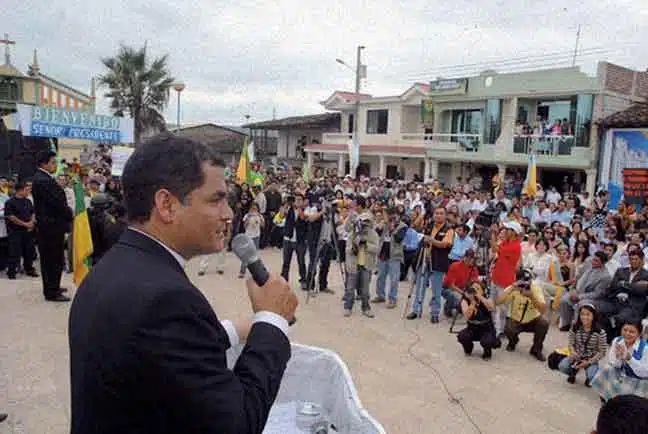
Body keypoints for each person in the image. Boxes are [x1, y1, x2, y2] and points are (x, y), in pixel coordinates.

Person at [68, 134, 298, 433]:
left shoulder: (116, 265)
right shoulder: (167, 299)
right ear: (167, 204)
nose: (229, 214)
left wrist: (232, 331)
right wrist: (272, 321)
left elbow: (160, 351)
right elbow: (237, 423)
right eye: (216, 200)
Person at [31, 150, 73, 302]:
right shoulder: (43, 180)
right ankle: (52, 291)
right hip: (50, 227)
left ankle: (53, 285)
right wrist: (70, 214)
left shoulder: (44, 178)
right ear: (44, 164)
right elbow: (57, 203)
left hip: (51, 226)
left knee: (54, 259)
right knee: (52, 260)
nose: (55, 165)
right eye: (53, 162)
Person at [496, 268, 549, 361]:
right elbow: (498, 302)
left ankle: (536, 349)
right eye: (521, 282)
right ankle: (513, 341)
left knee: (544, 322)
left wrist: (532, 296)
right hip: (516, 320)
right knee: (509, 329)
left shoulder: (535, 288)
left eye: (527, 281)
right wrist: (512, 289)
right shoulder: (513, 288)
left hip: (532, 320)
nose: (524, 285)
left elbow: (543, 310)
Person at [591, 317, 648, 402]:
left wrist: (630, 359)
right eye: (625, 330)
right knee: (607, 368)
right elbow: (613, 363)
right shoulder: (617, 341)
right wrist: (618, 358)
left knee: (628, 399)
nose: (627, 334)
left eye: (632, 332)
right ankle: (606, 396)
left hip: (638, 379)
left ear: (639, 334)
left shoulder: (645, 348)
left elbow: (643, 373)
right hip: (622, 373)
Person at [557, 303, 608, 386]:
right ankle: (573, 372)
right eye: (582, 314)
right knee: (562, 366)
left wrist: (589, 362)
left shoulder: (600, 332)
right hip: (576, 356)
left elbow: (602, 352)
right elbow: (571, 343)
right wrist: (573, 353)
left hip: (591, 358)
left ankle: (588, 377)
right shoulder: (574, 327)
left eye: (588, 314)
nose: (584, 317)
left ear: (594, 316)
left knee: (592, 376)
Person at [4, 181, 38, 279]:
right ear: (20, 191)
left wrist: (32, 222)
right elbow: (11, 217)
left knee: (29, 251)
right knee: (15, 252)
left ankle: (29, 269)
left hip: (28, 231)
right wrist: (25, 224)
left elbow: (32, 212)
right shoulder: (10, 202)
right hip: (15, 231)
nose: (28, 192)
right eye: (26, 190)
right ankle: (12, 272)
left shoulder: (28, 201)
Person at [457, 281, 497, 360]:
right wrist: (472, 302)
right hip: (472, 328)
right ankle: (468, 348)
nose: (475, 290)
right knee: (463, 336)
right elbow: (467, 316)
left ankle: (487, 352)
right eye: (473, 288)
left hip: (487, 328)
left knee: (487, 341)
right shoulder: (465, 300)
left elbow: (491, 308)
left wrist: (480, 296)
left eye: (478, 288)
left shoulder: (487, 298)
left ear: (483, 290)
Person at [441, 249, 479, 318]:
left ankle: (461, 309)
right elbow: (451, 285)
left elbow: (475, 283)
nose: (469, 259)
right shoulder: (455, 265)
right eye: (467, 257)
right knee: (457, 297)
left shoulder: (474, 269)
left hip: (463, 289)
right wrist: (464, 294)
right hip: (448, 289)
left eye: (471, 258)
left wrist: (472, 294)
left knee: (474, 297)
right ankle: (448, 307)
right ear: (464, 257)